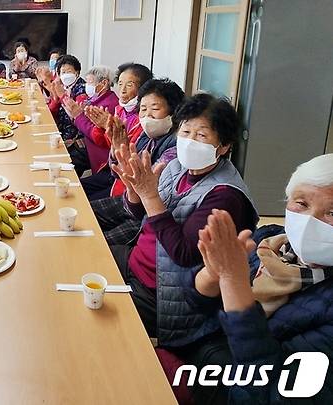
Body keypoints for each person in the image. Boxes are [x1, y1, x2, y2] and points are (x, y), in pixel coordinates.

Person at [167, 154, 333, 404]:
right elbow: (198, 300)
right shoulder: (269, 241)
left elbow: (275, 392)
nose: (311, 220)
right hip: (200, 355)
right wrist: (213, 273)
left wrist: (234, 284)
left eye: (332, 212)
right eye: (301, 203)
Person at [110, 93, 259, 344]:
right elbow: (139, 215)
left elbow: (183, 253)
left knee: (94, 316)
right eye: (185, 132)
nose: (190, 141)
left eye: (201, 135)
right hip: (138, 261)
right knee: (79, 258)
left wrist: (149, 195)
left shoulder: (225, 196)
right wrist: (135, 191)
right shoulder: (177, 166)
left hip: (164, 292)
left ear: (223, 146)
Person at [89, 79, 184, 247]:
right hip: (128, 200)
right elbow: (115, 173)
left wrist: (124, 155)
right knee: (83, 213)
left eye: (155, 109)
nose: (147, 116)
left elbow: (146, 188)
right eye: (143, 109)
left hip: (146, 214)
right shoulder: (146, 135)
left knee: (97, 244)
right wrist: (118, 147)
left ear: (174, 112)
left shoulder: (176, 146)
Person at [80, 62, 153, 197]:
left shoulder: (144, 118)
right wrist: (104, 127)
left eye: (129, 85)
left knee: (86, 202)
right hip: (111, 169)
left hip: (125, 179)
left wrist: (108, 127)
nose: (123, 90)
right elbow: (109, 143)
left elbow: (130, 151)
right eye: (120, 84)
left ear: (143, 89)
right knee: (76, 188)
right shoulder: (120, 109)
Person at [65, 65, 119, 173]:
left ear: (104, 83)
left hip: (100, 154)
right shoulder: (93, 99)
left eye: (90, 82)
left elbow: (96, 135)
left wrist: (78, 115)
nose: (87, 86)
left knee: (68, 164)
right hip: (87, 144)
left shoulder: (109, 104)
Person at [46, 54, 89, 176]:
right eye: (62, 72)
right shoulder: (62, 87)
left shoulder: (82, 89)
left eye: (69, 71)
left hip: (78, 140)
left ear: (77, 72)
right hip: (63, 133)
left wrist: (61, 96)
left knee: (62, 169)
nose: (66, 75)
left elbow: (77, 114)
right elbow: (52, 111)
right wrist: (55, 96)